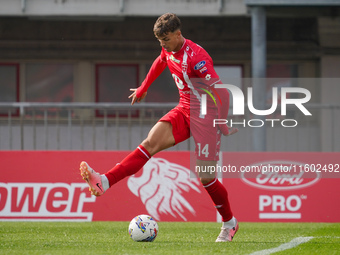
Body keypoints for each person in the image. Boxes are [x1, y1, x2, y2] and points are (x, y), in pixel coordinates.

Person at [80, 13, 239, 242]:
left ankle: (229, 223)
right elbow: (161, 60)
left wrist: (222, 124)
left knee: (206, 178)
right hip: (185, 110)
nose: (162, 44)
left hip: (206, 116)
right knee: (149, 144)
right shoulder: (168, 49)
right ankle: (104, 181)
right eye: (160, 41)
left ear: (178, 34)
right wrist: (144, 86)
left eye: (166, 39)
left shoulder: (197, 58)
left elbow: (222, 92)